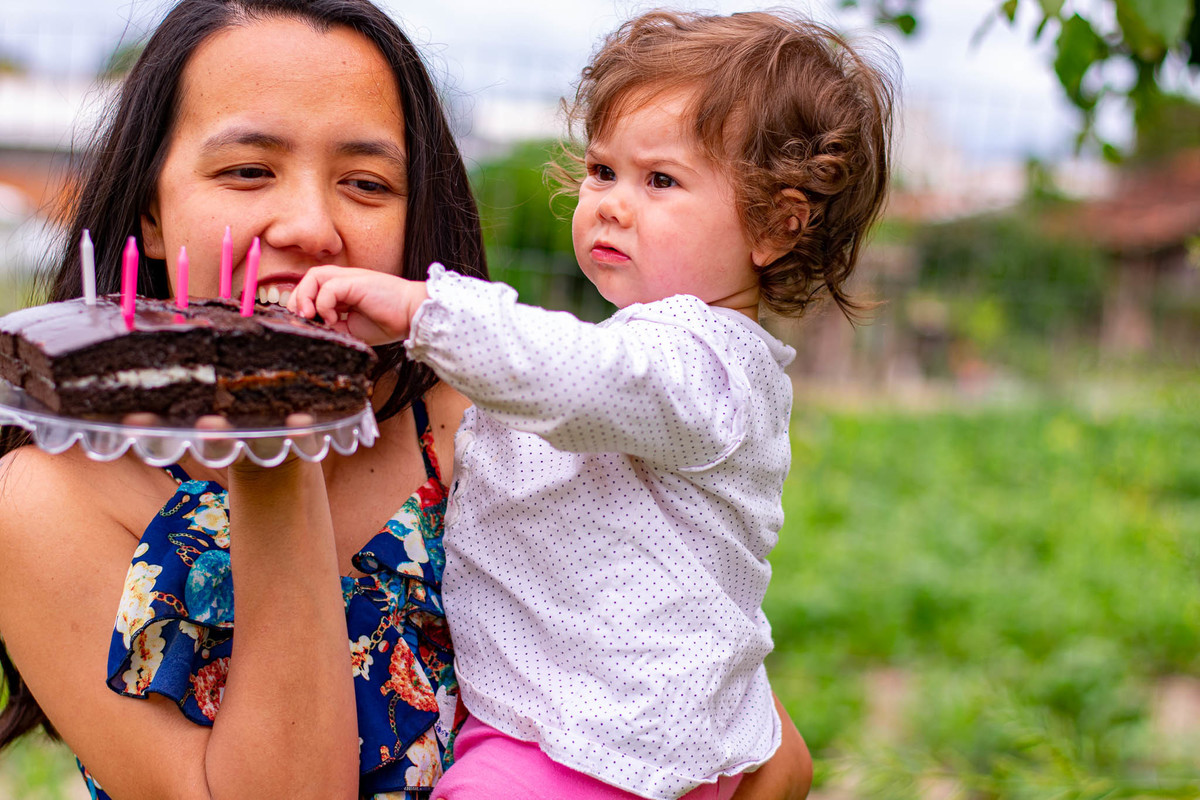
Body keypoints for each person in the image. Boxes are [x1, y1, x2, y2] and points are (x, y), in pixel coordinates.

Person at [0, 1, 812, 798]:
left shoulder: (492, 435)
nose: (310, 227)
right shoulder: (47, 504)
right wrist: (275, 456)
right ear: (151, 208)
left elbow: (760, 753)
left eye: (366, 182)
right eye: (248, 171)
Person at [288, 9, 893, 800]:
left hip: (589, 750)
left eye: (661, 180)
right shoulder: (666, 353)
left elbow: (581, 378)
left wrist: (422, 311)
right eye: (603, 170)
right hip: (597, 732)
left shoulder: (702, 362)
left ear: (777, 226)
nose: (611, 202)